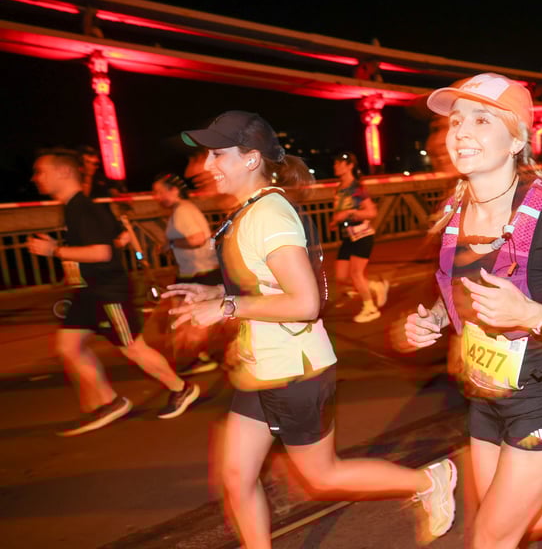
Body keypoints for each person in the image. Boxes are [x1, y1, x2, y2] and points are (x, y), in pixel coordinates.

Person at [165, 111, 456, 549]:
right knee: (236, 475)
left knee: (321, 476)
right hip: (262, 368)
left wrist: (226, 306)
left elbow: (304, 302)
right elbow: (266, 285)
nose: (206, 165)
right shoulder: (250, 209)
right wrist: (215, 295)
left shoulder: (268, 215)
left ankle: (428, 480)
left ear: (251, 159)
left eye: (217, 154)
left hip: (294, 372)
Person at [406, 73, 542, 548]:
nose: (461, 132)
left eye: (481, 120)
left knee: (490, 537)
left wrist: (531, 315)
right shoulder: (456, 208)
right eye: (456, 121)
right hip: (485, 392)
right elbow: (463, 289)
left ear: (517, 140)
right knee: (508, 521)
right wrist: (436, 319)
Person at [27, 148, 200, 437]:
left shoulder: (82, 208)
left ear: (63, 172)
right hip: (87, 293)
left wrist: (54, 250)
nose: (35, 178)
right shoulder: (76, 208)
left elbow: (102, 252)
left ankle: (181, 388)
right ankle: (108, 402)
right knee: (68, 347)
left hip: (107, 292)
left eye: (40, 172)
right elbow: (113, 240)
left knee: (132, 347)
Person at [152, 172, 221, 375]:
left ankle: (193, 359)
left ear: (174, 191)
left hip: (197, 272)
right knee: (189, 316)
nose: (156, 197)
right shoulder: (183, 209)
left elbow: (197, 239)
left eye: (159, 192)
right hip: (198, 270)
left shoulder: (182, 210)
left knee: (183, 318)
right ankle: (201, 354)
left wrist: (171, 244)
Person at [330, 151, 390, 323]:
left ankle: (370, 309)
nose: (335, 166)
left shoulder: (357, 188)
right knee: (341, 277)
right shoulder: (339, 188)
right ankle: (375, 286)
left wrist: (349, 213)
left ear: (350, 166)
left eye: (339, 163)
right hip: (348, 236)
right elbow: (341, 211)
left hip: (362, 235)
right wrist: (335, 221)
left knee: (356, 274)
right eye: (335, 163)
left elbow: (372, 212)